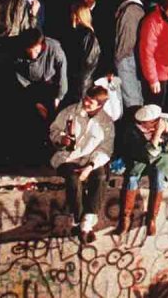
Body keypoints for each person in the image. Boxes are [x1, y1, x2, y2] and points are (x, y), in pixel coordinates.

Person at [48, 85, 114, 243]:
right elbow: (53, 131)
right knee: (73, 178)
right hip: (68, 157)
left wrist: (90, 166)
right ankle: (80, 219)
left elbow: (106, 149)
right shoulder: (70, 112)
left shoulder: (106, 121)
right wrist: (60, 139)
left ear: (99, 105)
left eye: (90, 102)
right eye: (85, 99)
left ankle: (87, 221)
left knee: (100, 177)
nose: (85, 103)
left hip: (92, 158)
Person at [0, 28, 67, 165]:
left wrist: (58, 98)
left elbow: (62, 75)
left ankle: (49, 156)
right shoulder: (16, 50)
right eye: (28, 51)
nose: (32, 54)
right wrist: (34, 102)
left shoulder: (54, 49)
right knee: (29, 119)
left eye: (35, 51)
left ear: (41, 45)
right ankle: (28, 156)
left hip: (50, 86)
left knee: (51, 121)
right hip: (28, 87)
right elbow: (17, 77)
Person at [116, 104, 168, 235]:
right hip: (140, 158)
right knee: (132, 178)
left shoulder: (166, 125)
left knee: (159, 178)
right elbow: (147, 154)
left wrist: (165, 132)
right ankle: (125, 217)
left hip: (161, 159)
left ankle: (152, 218)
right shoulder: (132, 131)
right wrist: (156, 136)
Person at [137, 0, 168, 108]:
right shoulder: (152, 22)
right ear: (162, 7)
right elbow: (147, 53)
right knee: (154, 109)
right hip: (157, 73)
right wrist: (152, 79)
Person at [114, 0, 146, 109]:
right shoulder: (137, 8)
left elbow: (125, 37)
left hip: (126, 59)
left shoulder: (130, 10)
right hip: (132, 58)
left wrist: (118, 58)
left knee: (131, 99)